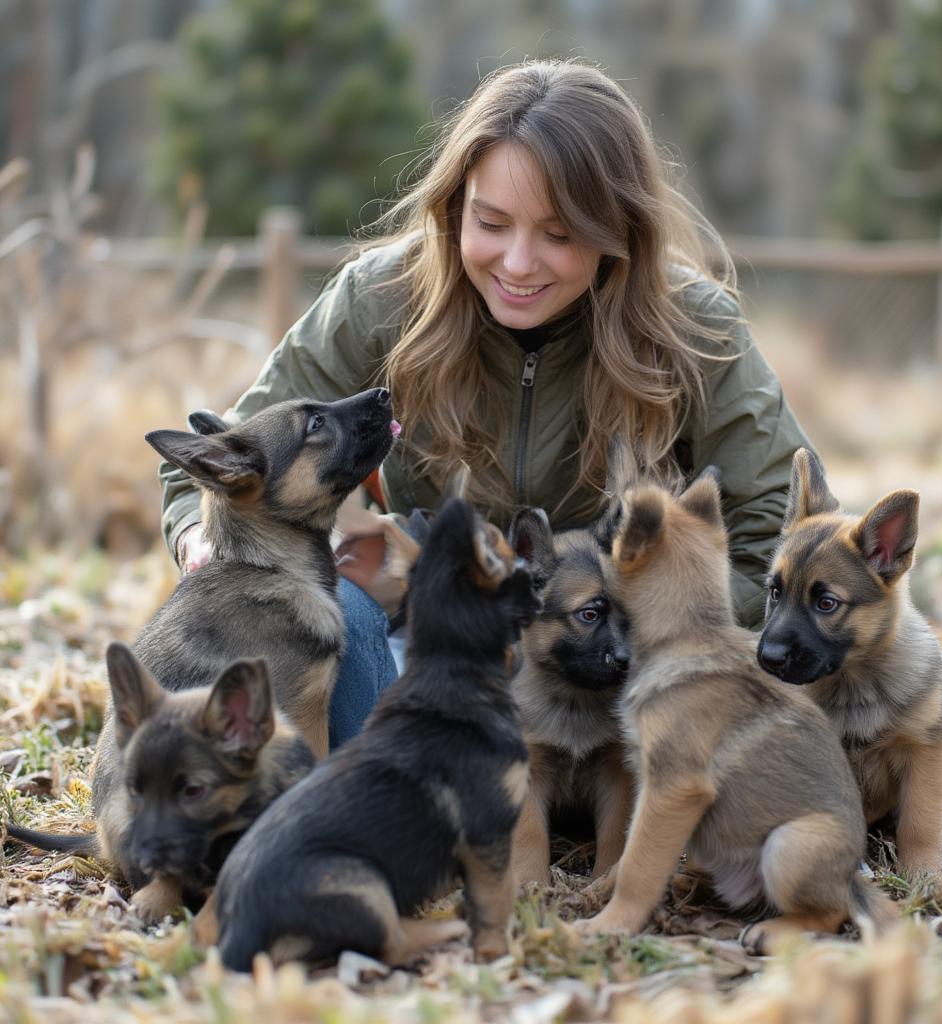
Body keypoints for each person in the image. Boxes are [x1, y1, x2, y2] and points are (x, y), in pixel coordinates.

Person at [159, 60, 812, 746]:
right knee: (339, 614)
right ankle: (397, 788)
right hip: (429, 654)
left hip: (614, 660)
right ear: (453, 206)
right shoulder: (382, 298)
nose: (519, 264)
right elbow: (213, 461)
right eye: (491, 222)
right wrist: (202, 541)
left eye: (559, 235)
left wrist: (630, 617)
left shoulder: (693, 324)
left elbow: (778, 518)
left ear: (618, 228)